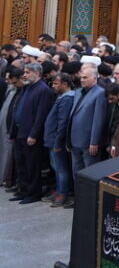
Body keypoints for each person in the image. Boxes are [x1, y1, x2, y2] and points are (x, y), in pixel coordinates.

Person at [10, 64, 53, 203]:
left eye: (27, 72)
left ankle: (33, 193)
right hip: (20, 132)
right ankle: (23, 191)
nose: (24, 75)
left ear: (37, 73)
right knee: (21, 164)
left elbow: (41, 115)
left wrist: (33, 134)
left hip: (31, 135)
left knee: (32, 166)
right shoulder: (27, 87)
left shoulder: (43, 90)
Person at [43, 73, 76, 207]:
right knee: (56, 167)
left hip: (57, 141)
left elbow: (63, 122)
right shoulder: (61, 97)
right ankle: (58, 189)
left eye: (56, 83)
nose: (53, 86)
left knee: (61, 168)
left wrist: (58, 142)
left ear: (65, 84)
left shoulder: (67, 99)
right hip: (52, 138)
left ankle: (63, 193)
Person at [67, 63, 107, 174]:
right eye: (81, 77)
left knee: (89, 173)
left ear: (94, 78)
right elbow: (73, 115)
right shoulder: (78, 92)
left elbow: (98, 120)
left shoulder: (100, 93)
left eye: (85, 77)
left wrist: (94, 142)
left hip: (88, 142)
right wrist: (68, 140)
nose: (82, 80)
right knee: (76, 172)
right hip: (74, 140)